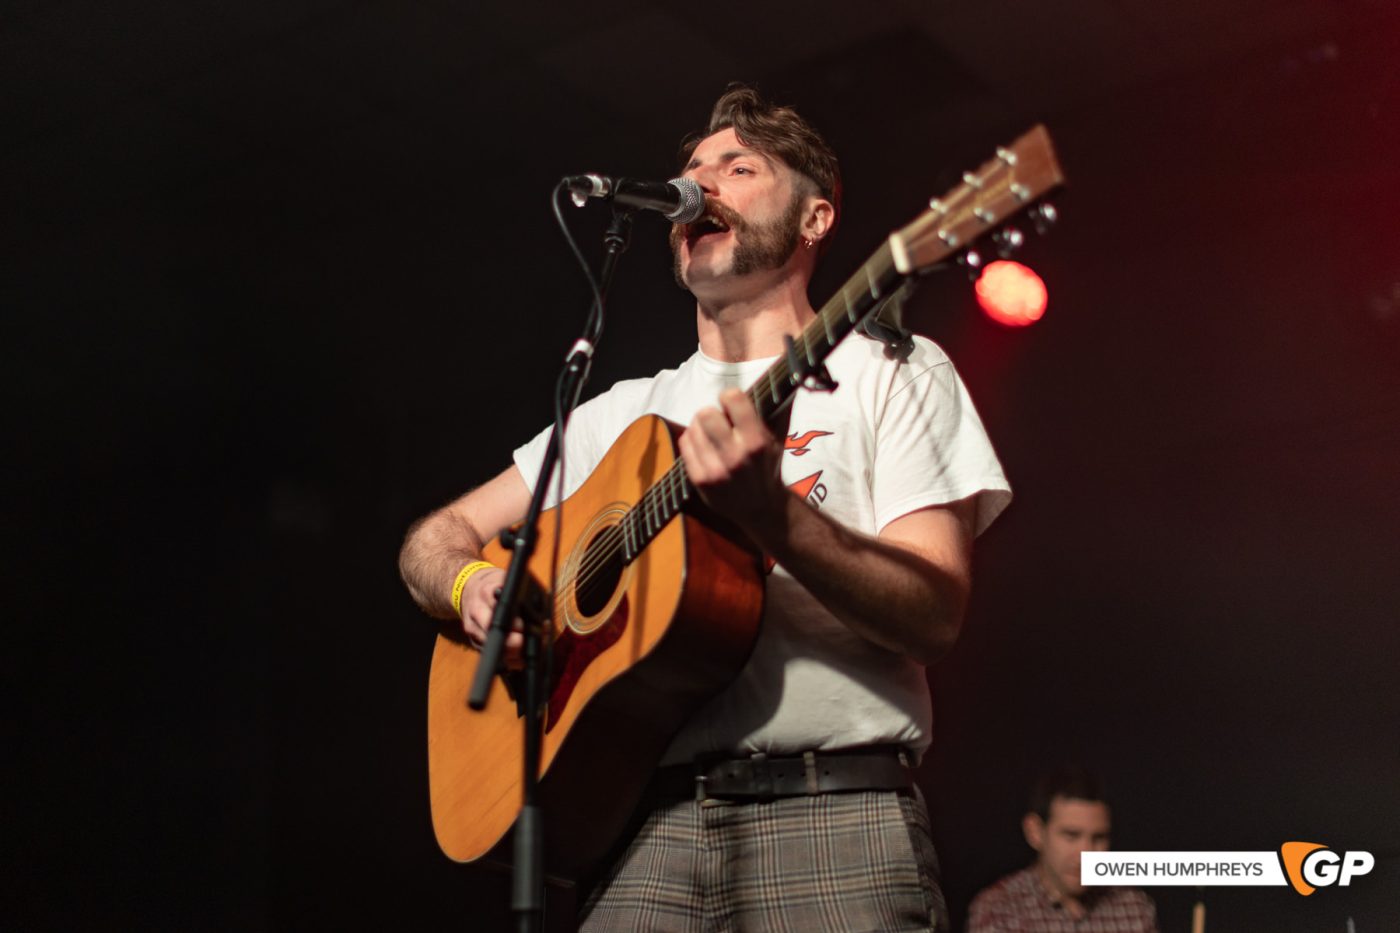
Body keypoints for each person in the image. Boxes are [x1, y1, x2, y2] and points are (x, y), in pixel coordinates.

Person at [399, 84, 1011, 932]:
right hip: (636, 830)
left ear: (816, 220)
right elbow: (433, 537)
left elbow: (934, 614)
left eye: (738, 167)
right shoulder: (619, 411)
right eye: (690, 172)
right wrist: (470, 581)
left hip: (832, 823)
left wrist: (777, 518)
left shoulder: (894, 372)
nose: (701, 186)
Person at [966, 768, 1157, 932]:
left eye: (1098, 838)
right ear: (1035, 832)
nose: (1086, 853)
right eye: (1071, 836)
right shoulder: (1000, 910)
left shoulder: (1133, 907)